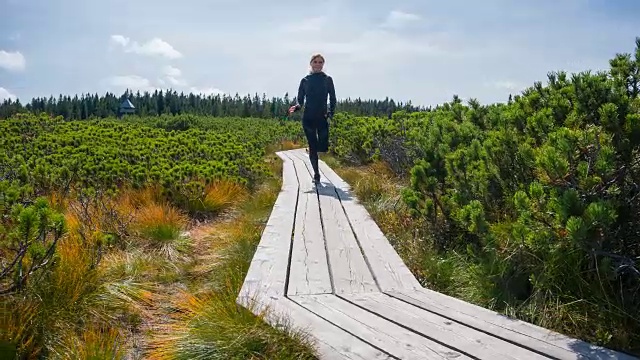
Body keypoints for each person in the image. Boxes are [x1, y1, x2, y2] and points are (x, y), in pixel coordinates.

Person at [288, 53, 336, 183]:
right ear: (311, 64)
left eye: (320, 62)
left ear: (323, 64)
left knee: (323, 146)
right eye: (315, 62)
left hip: (322, 117)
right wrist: (296, 107)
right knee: (313, 147)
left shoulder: (327, 80)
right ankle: (316, 174)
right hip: (308, 118)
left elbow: (332, 97)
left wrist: (331, 113)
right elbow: (300, 101)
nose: (318, 64)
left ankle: (313, 151)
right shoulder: (305, 81)